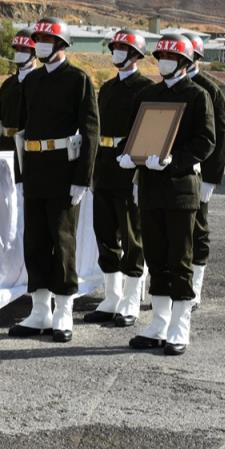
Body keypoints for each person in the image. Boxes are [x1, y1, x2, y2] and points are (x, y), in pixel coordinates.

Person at [118, 32, 215, 355]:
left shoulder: (198, 96)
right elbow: (132, 133)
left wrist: (175, 161)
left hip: (180, 190)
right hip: (150, 188)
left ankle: (179, 326)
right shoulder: (148, 95)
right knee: (156, 257)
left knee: (180, 259)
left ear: (186, 62)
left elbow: (206, 141)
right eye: (161, 57)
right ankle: (159, 322)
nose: (164, 62)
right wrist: (126, 153)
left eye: (171, 58)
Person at [9, 17, 99, 342]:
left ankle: (63, 312)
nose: (40, 44)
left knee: (62, 243)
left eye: (47, 39)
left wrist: (82, 178)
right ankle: (39, 311)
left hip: (63, 172)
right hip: (34, 169)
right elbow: (21, 131)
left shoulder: (78, 80)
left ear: (61, 44)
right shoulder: (30, 82)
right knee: (34, 242)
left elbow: (90, 131)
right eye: (38, 39)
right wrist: (21, 174)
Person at [85, 29, 152, 327]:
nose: (117, 52)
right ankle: (111, 296)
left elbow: (148, 134)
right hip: (105, 167)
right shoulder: (108, 88)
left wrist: (138, 169)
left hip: (129, 169)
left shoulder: (146, 89)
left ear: (136, 54)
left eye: (123, 48)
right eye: (115, 48)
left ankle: (131, 298)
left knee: (132, 236)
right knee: (105, 233)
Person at [185, 33, 225, 310]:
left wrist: (211, 178)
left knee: (197, 228)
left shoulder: (208, 89)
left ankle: (195, 287)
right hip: (167, 172)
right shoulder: (166, 88)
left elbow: (221, 135)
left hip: (199, 173)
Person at [0, 30, 39, 185]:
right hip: (6, 149)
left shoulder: (41, 83)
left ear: (35, 52)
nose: (19, 53)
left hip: (30, 152)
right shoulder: (8, 85)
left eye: (25, 50)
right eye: (18, 49)